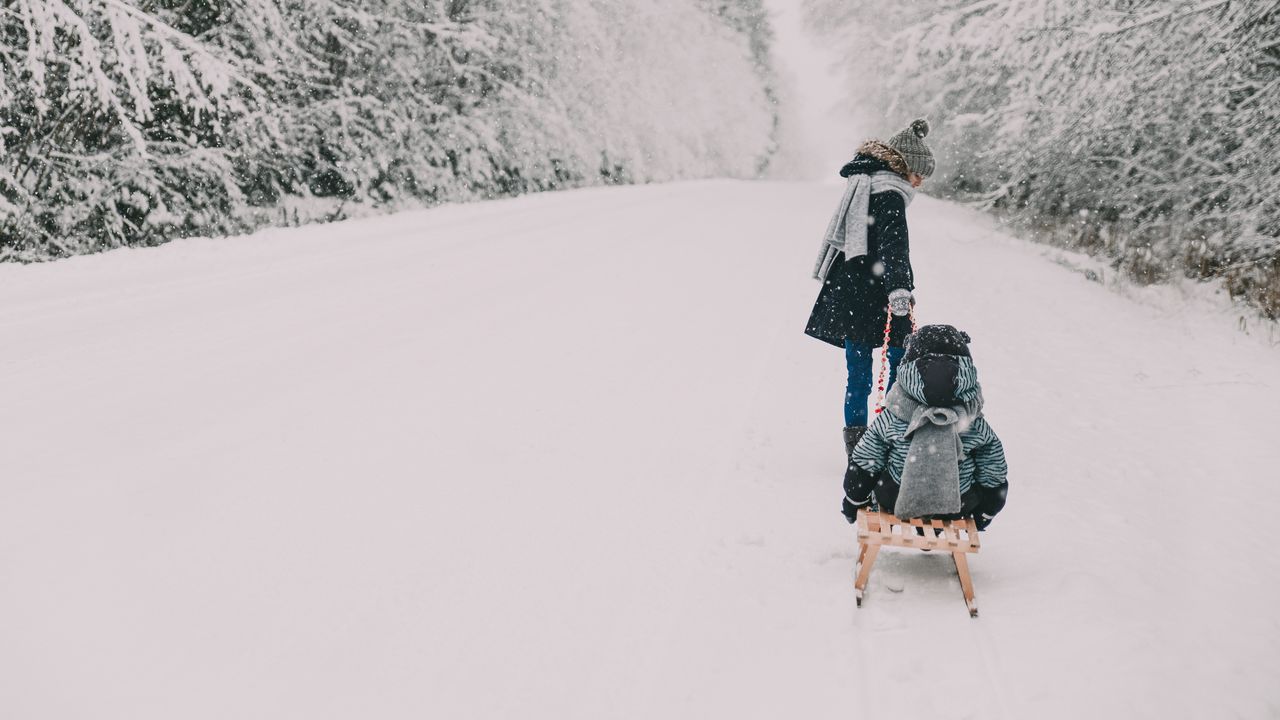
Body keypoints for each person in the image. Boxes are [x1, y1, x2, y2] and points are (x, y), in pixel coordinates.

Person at [805, 118, 935, 459]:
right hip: (880, 293)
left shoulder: (866, 184)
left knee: (858, 377)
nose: (920, 183)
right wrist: (900, 291)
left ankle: (858, 450)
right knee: (899, 366)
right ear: (905, 167)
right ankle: (889, 442)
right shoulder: (890, 194)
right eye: (919, 174)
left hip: (850, 290)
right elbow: (894, 248)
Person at [841, 325, 1008, 529]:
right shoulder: (972, 416)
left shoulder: (896, 411)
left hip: (897, 496)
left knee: (882, 468)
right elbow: (993, 468)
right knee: (974, 474)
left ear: (909, 365)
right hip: (958, 502)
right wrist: (988, 509)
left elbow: (867, 458)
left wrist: (854, 500)